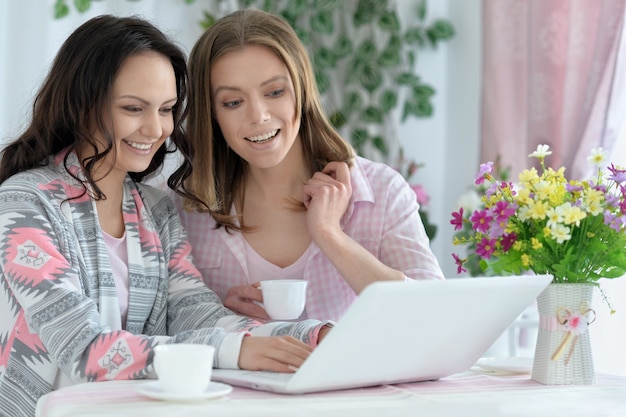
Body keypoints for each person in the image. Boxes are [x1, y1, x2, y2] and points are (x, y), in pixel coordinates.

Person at [0, 15, 331, 417]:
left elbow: (197, 313)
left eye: (167, 109)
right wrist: (234, 351)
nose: (155, 128)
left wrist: (315, 335)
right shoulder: (23, 203)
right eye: (133, 108)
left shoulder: (155, 211)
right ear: (82, 104)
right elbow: (83, 350)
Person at [174, 9, 444, 323]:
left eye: (275, 92)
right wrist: (216, 316)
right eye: (233, 102)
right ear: (212, 114)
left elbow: (433, 318)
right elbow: (165, 328)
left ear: (301, 91)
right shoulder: (187, 209)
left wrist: (330, 235)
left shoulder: (381, 193)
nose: (258, 115)